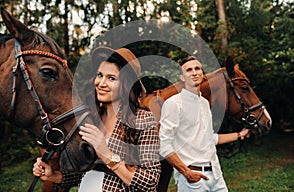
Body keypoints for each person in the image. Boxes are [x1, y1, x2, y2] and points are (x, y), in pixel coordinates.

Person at [32, 47, 161, 191]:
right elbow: (89, 171)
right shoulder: (92, 117)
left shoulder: (142, 119)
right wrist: (54, 176)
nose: (101, 83)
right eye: (100, 75)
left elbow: (151, 181)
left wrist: (106, 153)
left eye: (111, 78)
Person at [159, 56, 250, 192]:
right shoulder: (173, 104)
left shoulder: (204, 103)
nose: (194, 72)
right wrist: (186, 172)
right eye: (189, 70)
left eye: (197, 68)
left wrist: (239, 135)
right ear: (182, 78)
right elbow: (164, 144)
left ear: (202, 74)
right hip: (193, 180)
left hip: (216, 175)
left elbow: (208, 139)